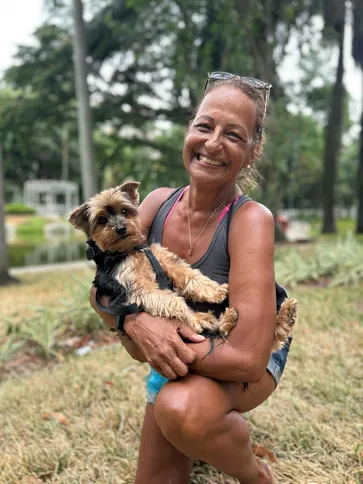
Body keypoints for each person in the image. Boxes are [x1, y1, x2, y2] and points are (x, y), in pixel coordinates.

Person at [90, 71, 292, 484]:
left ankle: (254, 474)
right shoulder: (155, 203)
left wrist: (158, 341)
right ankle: (199, 430)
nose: (213, 143)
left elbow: (247, 360)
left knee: (181, 410)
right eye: (204, 126)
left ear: (252, 152)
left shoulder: (250, 220)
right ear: (189, 130)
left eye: (234, 135)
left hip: (243, 350)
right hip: (182, 348)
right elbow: (101, 290)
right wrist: (135, 321)